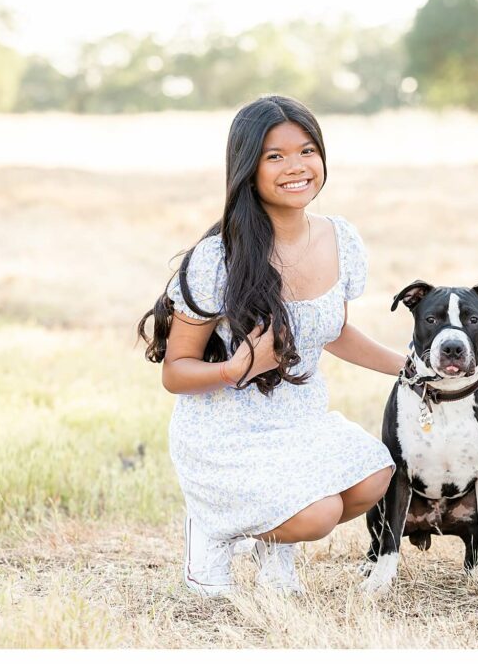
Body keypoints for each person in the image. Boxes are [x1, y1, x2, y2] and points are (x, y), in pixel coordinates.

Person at [137, 95, 405, 597]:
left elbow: (335, 331)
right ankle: (213, 528)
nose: (296, 167)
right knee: (319, 514)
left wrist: (410, 368)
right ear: (247, 168)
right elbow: (175, 372)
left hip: (298, 420)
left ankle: (270, 545)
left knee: (375, 476)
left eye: (306, 150)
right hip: (225, 434)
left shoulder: (339, 238)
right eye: (274, 156)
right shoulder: (218, 258)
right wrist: (236, 367)